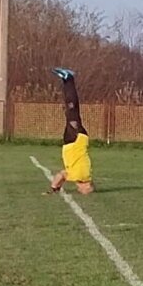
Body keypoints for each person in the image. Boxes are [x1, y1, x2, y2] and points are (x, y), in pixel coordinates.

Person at [46, 67, 94, 195]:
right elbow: (60, 176)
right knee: (72, 108)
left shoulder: (85, 175)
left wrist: (56, 187)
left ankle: (67, 80)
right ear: (85, 184)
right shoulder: (78, 175)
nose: (80, 190)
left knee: (72, 109)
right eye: (84, 190)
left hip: (74, 141)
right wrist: (54, 188)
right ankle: (69, 78)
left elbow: (62, 177)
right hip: (76, 139)